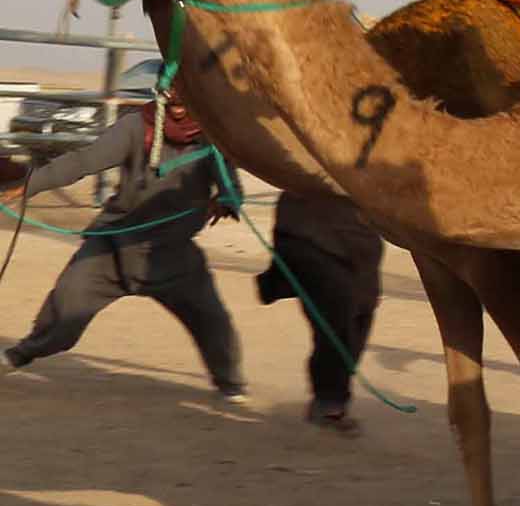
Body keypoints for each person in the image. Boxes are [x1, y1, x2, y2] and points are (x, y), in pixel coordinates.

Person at [1, 59, 246, 398]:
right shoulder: (137, 126)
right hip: (113, 248)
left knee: (212, 321)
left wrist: (227, 201)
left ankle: (231, 385)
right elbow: (82, 161)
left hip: (173, 256)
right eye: (169, 91)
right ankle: (19, 354)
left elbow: (230, 185)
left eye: (182, 92)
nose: (175, 98)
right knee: (65, 311)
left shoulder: (214, 139)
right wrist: (30, 185)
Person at [259, 184, 388, 433]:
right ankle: (329, 402)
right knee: (336, 323)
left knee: (360, 316)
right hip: (309, 236)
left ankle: (330, 396)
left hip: (358, 243)